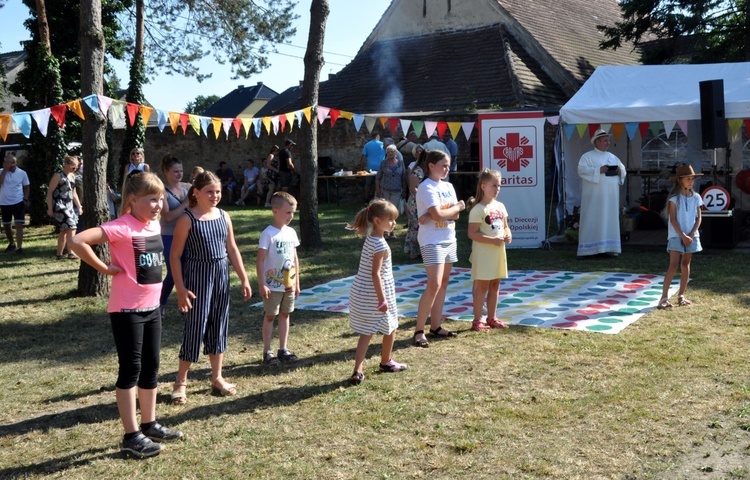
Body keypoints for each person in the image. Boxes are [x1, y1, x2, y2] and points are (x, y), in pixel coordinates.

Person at [68, 171, 183, 458]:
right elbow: (77, 241)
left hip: (152, 307)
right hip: (127, 311)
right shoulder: (121, 226)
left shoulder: (153, 224)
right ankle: (131, 435)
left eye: (160, 199)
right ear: (133, 200)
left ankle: (149, 422)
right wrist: (104, 269)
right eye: (151, 200)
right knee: (130, 371)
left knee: (151, 368)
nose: (158, 205)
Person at [169, 171, 252, 404]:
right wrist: (181, 289)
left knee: (219, 324)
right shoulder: (187, 219)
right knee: (195, 327)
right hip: (197, 279)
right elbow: (175, 256)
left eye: (218, 191)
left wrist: (244, 278)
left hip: (220, 278)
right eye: (209, 192)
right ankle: (180, 382)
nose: (215, 195)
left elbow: (232, 249)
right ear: (196, 193)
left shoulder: (224, 215)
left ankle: (217, 377)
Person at [346, 199, 408, 385]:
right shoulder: (380, 244)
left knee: (366, 332)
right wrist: (382, 300)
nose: (394, 223)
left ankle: (358, 369)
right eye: (390, 219)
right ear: (377, 221)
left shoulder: (372, 238)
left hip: (363, 291)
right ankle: (386, 361)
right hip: (376, 294)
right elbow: (376, 274)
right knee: (392, 327)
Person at [412, 150, 465, 347]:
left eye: (448, 165)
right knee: (433, 284)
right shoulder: (426, 187)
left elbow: (453, 217)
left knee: (442, 284)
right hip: (431, 240)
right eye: (443, 165)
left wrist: (446, 213)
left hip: (449, 238)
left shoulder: (449, 186)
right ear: (431, 166)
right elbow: (439, 215)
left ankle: (435, 327)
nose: (446, 169)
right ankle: (419, 331)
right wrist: (457, 207)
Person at [256, 192, 301, 366]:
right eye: (288, 212)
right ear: (275, 211)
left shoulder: (291, 233)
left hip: (288, 285)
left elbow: (295, 258)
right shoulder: (268, 234)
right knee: (270, 316)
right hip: (272, 286)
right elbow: (260, 260)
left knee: (285, 314)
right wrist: (262, 284)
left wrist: (297, 282)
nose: (291, 216)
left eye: (293, 212)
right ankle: (267, 351)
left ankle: (283, 348)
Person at [466, 169, 512, 332]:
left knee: (495, 284)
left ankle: (492, 317)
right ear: (483, 186)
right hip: (484, 253)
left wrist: (507, 236)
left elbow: (506, 227)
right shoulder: (478, 209)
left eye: (499, 185)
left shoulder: (500, 206)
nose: (497, 188)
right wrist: (493, 240)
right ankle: (477, 320)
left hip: (498, 253)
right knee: (482, 286)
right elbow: (472, 233)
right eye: (494, 185)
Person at [657, 164, 704, 309]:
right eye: (688, 179)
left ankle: (681, 295)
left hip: (691, 234)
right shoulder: (674, 199)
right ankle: (663, 298)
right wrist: (683, 235)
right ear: (680, 181)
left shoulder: (696, 197)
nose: (691, 181)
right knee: (673, 265)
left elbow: (699, 218)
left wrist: (691, 234)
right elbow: (673, 220)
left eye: (692, 179)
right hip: (676, 235)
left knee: (685, 264)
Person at [576, 128, 626, 257]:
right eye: (605, 141)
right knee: (593, 218)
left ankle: (608, 248)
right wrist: (599, 170)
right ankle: (590, 249)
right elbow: (581, 170)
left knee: (609, 219)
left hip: (610, 198)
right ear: (597, 142)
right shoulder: (587, 157)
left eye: (608, 140)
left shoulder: (613, 157)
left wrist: (620, 172)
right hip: (594, 198)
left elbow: (622, 169)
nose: (608, 143)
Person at [158, 154, 191, 320]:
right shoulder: (162, 191)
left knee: (188, 271)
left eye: (181, 171)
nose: (179, 174)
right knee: (173, 272)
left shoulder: (187, 187)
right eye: (175, 172)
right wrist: (185, 203)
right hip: (169, 236)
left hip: (188, 236)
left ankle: (185, 305)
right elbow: (167, 216)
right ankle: (160, 303)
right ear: (165, 172)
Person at [46, 155, 82, 260]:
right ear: (66, 164)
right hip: (59, 205)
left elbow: (74, 192)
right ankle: (71, 252)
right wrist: (50, 208)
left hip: (69, 205)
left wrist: (79, 206)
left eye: (76, 167)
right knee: (72, 225)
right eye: (73, 166)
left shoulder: (73, 176)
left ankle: (59, 254)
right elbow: (49, 192)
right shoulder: (58, 176)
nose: (75, 169)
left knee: (65, 230)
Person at [375, 145, 408, 240]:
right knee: (385, 211)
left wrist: (404, 190)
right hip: (385, 190)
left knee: (392, 212)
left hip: (397, 191)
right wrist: (378, 190)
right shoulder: (383, 163)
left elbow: (403, 178)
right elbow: (378, 178)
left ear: (396, 153)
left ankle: (392, 231)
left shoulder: (401, 163)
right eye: (388, 152)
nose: (390, 153)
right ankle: (385, 232)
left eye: (392, 151)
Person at [0, 154, 30, 254]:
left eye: (13, 162)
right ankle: (11, 243)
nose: (11, 165)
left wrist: (25, 199)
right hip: (4, 203)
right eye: (8, 163)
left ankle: (19, 247)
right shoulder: (1, 172)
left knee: (19, 224)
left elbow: (26, 187)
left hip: (18, 202)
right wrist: (4, 171)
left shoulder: (22, 173)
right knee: (6, 225)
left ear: (16, 163)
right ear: (4, 163)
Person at [404, 147, 426, 259]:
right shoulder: (417, 171)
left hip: (420, 201)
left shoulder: (424, 170)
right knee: (415, 226)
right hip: (415, 202)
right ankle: (413, 251)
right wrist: (423, 196)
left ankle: (418, 250)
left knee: (419, 226)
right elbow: (413, 188)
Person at [359, 133, 385, 203]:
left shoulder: (367, 145)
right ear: (378, 136)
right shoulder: (382, 145)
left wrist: (361, 167)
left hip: (369, 167)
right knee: (380, 184)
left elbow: (363, 157)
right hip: (380, 167)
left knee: (368, 184)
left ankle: (366, 199)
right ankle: (379, 199)